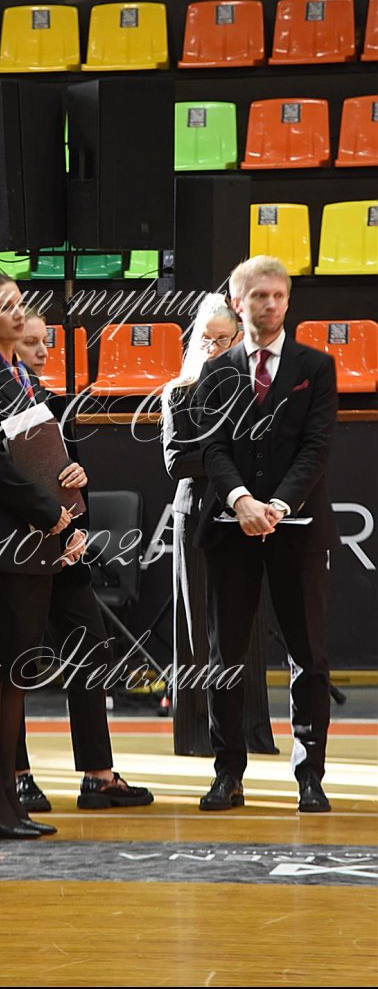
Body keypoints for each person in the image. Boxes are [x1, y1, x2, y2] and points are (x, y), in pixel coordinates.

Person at [0, 270, 90, 840]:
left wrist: (71, 487)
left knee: (16, 673)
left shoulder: (24, 376)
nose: (15, 311)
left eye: (18, 302)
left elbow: (44, 454)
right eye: (3, 305)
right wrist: (47, 511)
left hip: (35, 541)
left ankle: (5, 794)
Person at [194, 255, 338, 813]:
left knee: (309, 656)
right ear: (238, 302)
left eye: (279, 295)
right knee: (225, 654)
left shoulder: (316, 367)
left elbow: (316, 448)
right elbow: (213, 449)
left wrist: (275, 505)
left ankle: (310, 776)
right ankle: (227, 773)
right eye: (260, 296)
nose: (271, 304)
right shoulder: (216, 372)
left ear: (288, 300)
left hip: (296, 530)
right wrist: (241, 501)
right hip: (231, 530)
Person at [13, 307, 154, 812]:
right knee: (15, 662)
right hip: (13, 551)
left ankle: (98, 775)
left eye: (45, 342)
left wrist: (78, 523)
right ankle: (16, 776)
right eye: (31, 343)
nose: (42, 351)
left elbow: (71, 475)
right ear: (7, 344)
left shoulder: (53, 402)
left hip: (63, 549)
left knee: (90, 650)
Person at [161, 294, 278, 758]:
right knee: (197, 631)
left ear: (239, 339)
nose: (211, 348)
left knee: (248, 627)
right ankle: (197, 736)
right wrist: (227, 460)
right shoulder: (179, 392)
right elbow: (176, 462)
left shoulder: (257, 391)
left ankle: (251, 732)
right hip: (197, 515)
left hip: (244, 517)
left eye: (221, 340)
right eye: (204, 339)